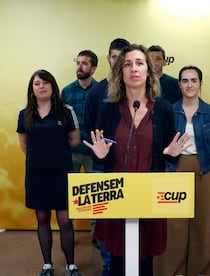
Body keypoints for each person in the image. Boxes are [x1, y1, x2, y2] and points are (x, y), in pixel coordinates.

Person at [83, 44, 190, 276]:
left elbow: (169, 155)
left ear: (149, 71)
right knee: (118, 258)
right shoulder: (109, 109)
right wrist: (99, 157)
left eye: (140, 63)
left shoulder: (163, 109)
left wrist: (171, 156)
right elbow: (101, 151)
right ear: (120, 71)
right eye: (128, 64)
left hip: (148, 194)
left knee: (145, 259)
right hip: (117, 194)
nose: (134, 69)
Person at [155, 65, 210, 276]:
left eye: (194, 80)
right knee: (174, 225)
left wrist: (205, 157)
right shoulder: (168, 110)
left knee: (201, 223)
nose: (189, 85)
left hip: (204, 169)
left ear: (201, 84)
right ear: (179, 85)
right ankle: (173, 270)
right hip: (175, 168)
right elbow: (161, 143)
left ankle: (199, 270)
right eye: (185, 81)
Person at [17, 69, 82, 276]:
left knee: (65, 221)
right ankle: (47, 265)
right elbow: (24, 145)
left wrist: (56, 154)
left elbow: (75, 140)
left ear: (53, 86)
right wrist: (41, 157)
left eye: (45, 83)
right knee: (42, 220)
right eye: (37, 83)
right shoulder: (24, 113)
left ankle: (71, 266)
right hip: (36, 175)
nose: (41, 87)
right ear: (32, 89)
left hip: (61, 174)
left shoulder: (65, 111)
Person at [84, 37, 130, 276]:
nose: (118, 61)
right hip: (102, 164)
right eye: (114, 56)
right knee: (104, 216)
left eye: (123, 57)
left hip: (132, 164)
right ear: (108, 58)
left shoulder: (135, 89)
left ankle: (127, 263)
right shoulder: (96, 92)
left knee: (130, 217)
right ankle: (109, 263)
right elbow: (90, 127)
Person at [61, 50, 98, 173]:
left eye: (84, 63)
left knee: (94, 189)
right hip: (71, 150)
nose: (79, 67)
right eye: (78, 63)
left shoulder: (101, 90)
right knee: (70, 189)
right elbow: (61, 120)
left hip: (93, 151)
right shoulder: (66, 91)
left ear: (93, 68)